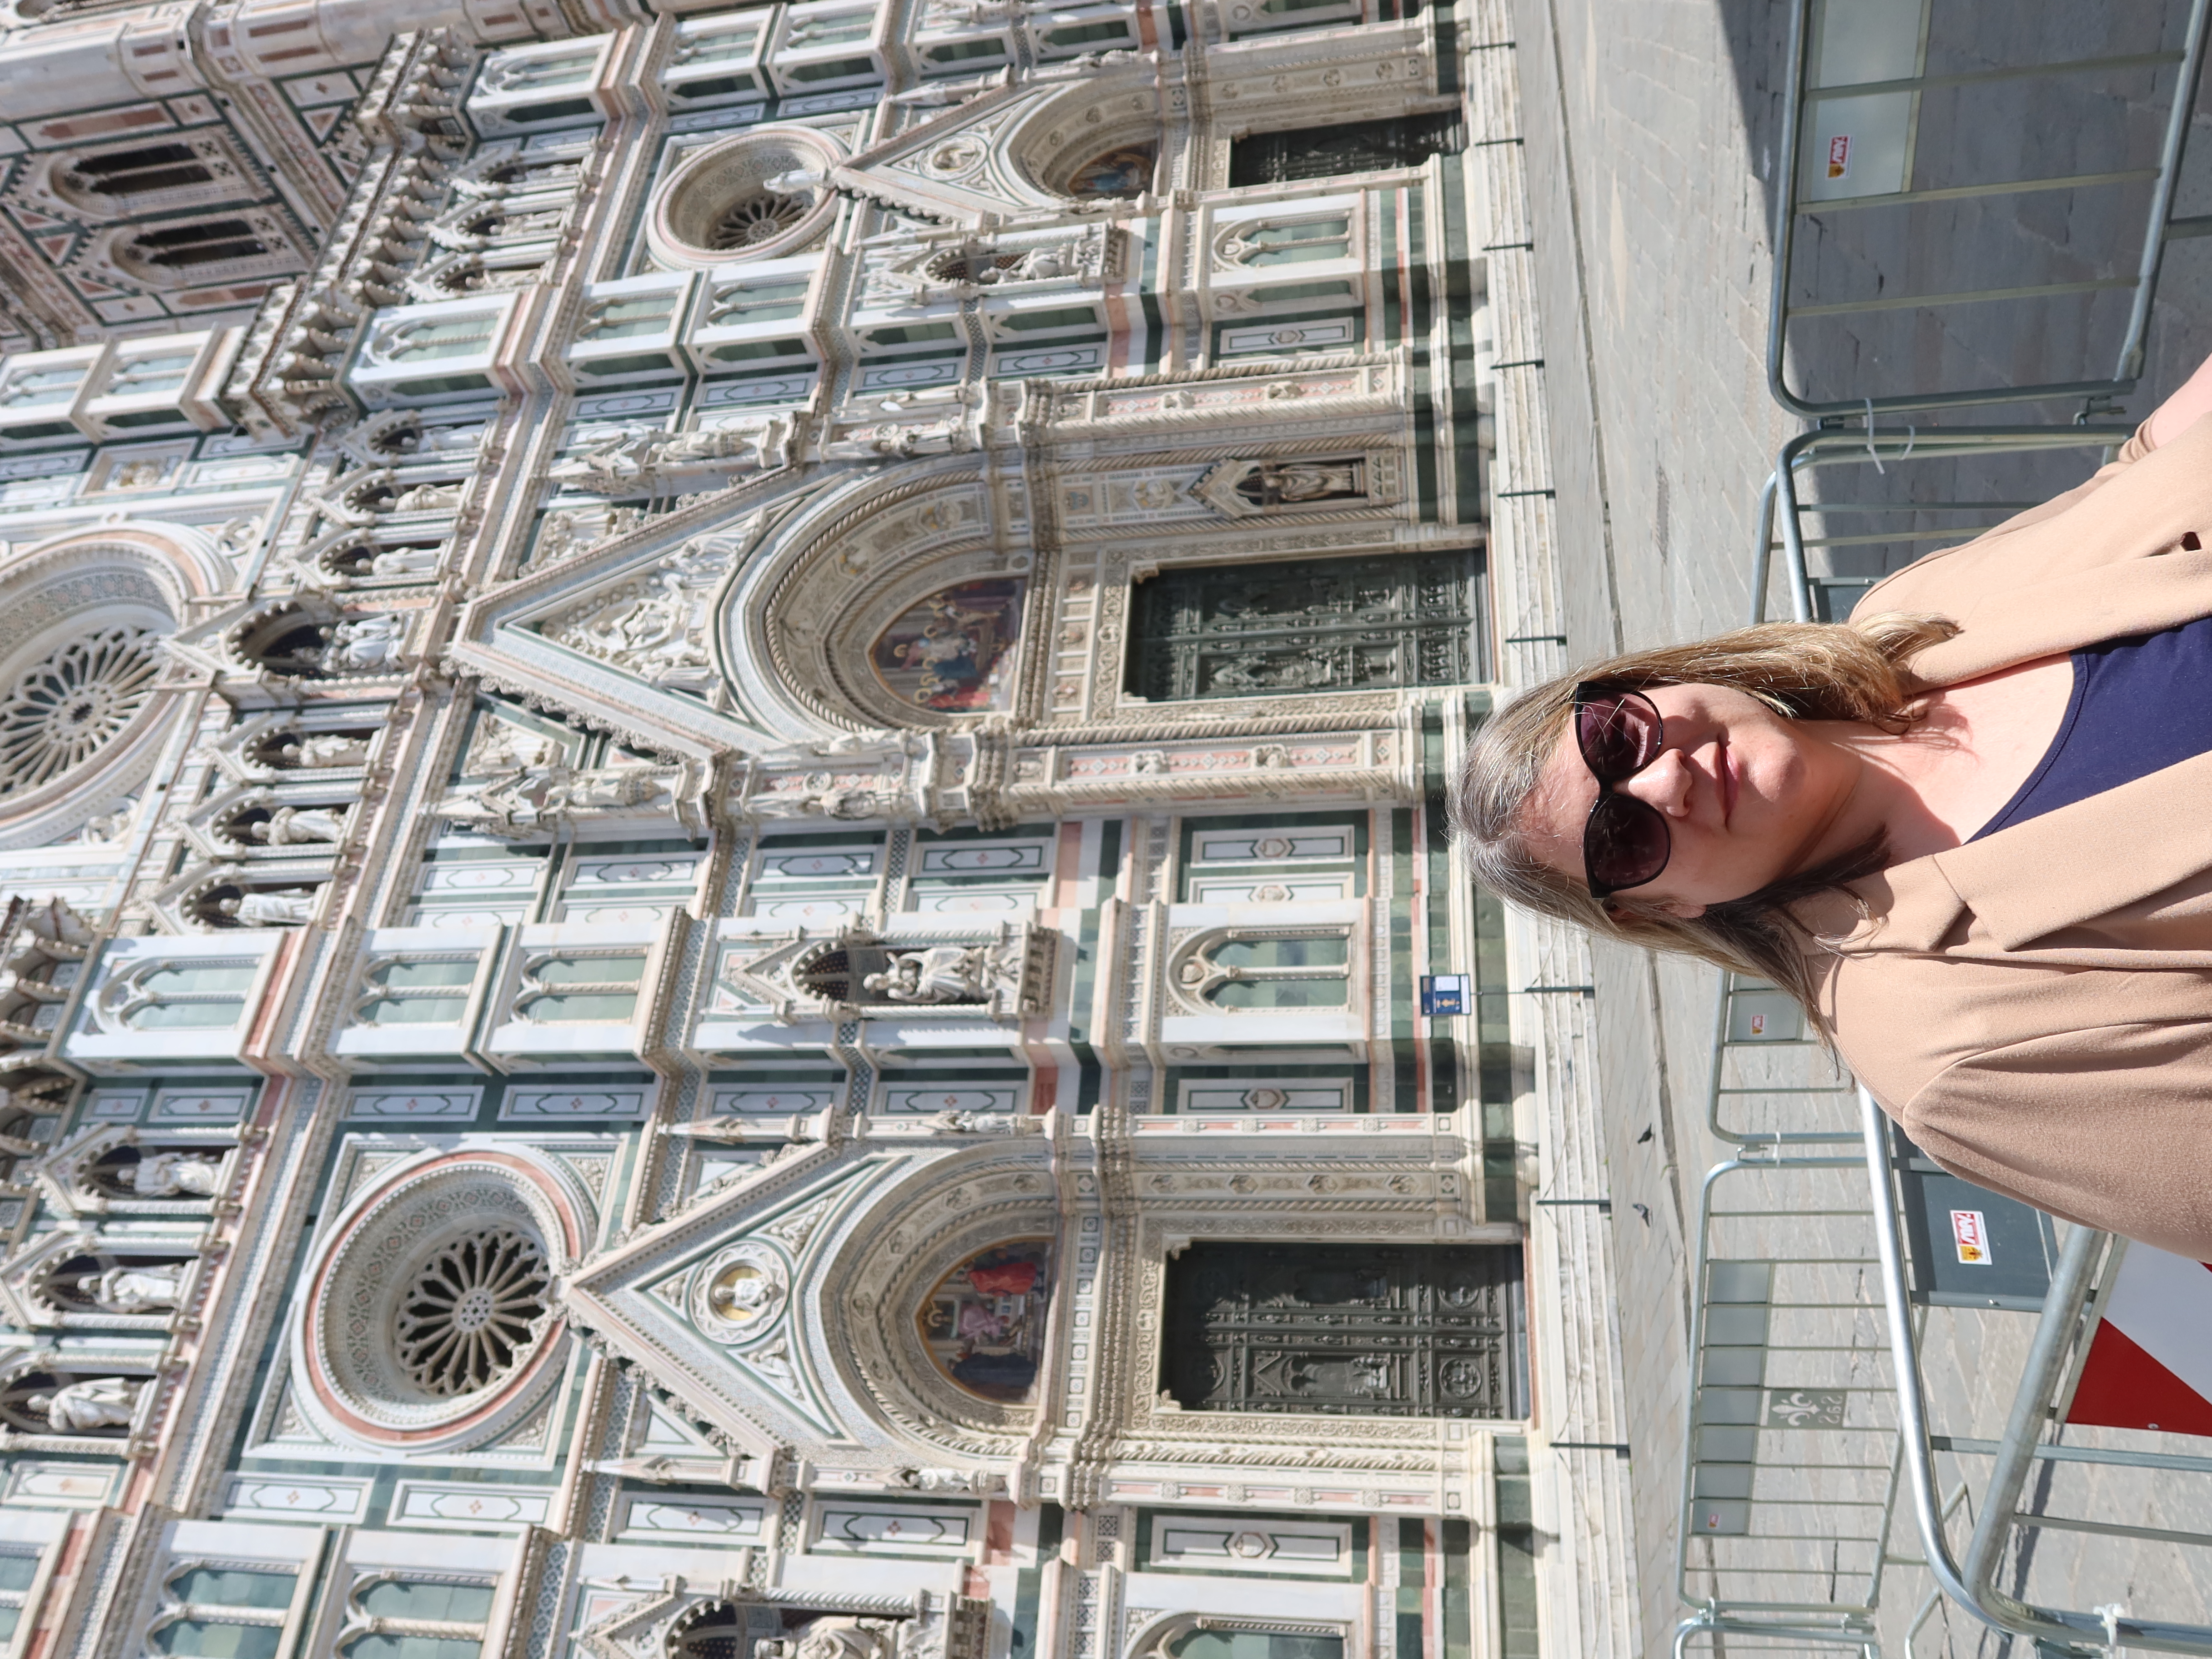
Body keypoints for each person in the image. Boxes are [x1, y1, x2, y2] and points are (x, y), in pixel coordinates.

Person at [1453, 349, 2212, 1260]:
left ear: (1646, 682)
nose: (1663, 780)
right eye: (1622, 836)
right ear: (1663, 906)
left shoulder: (1910, 613)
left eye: (1615, 737)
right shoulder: (1943, 1050)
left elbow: (2144, 472)